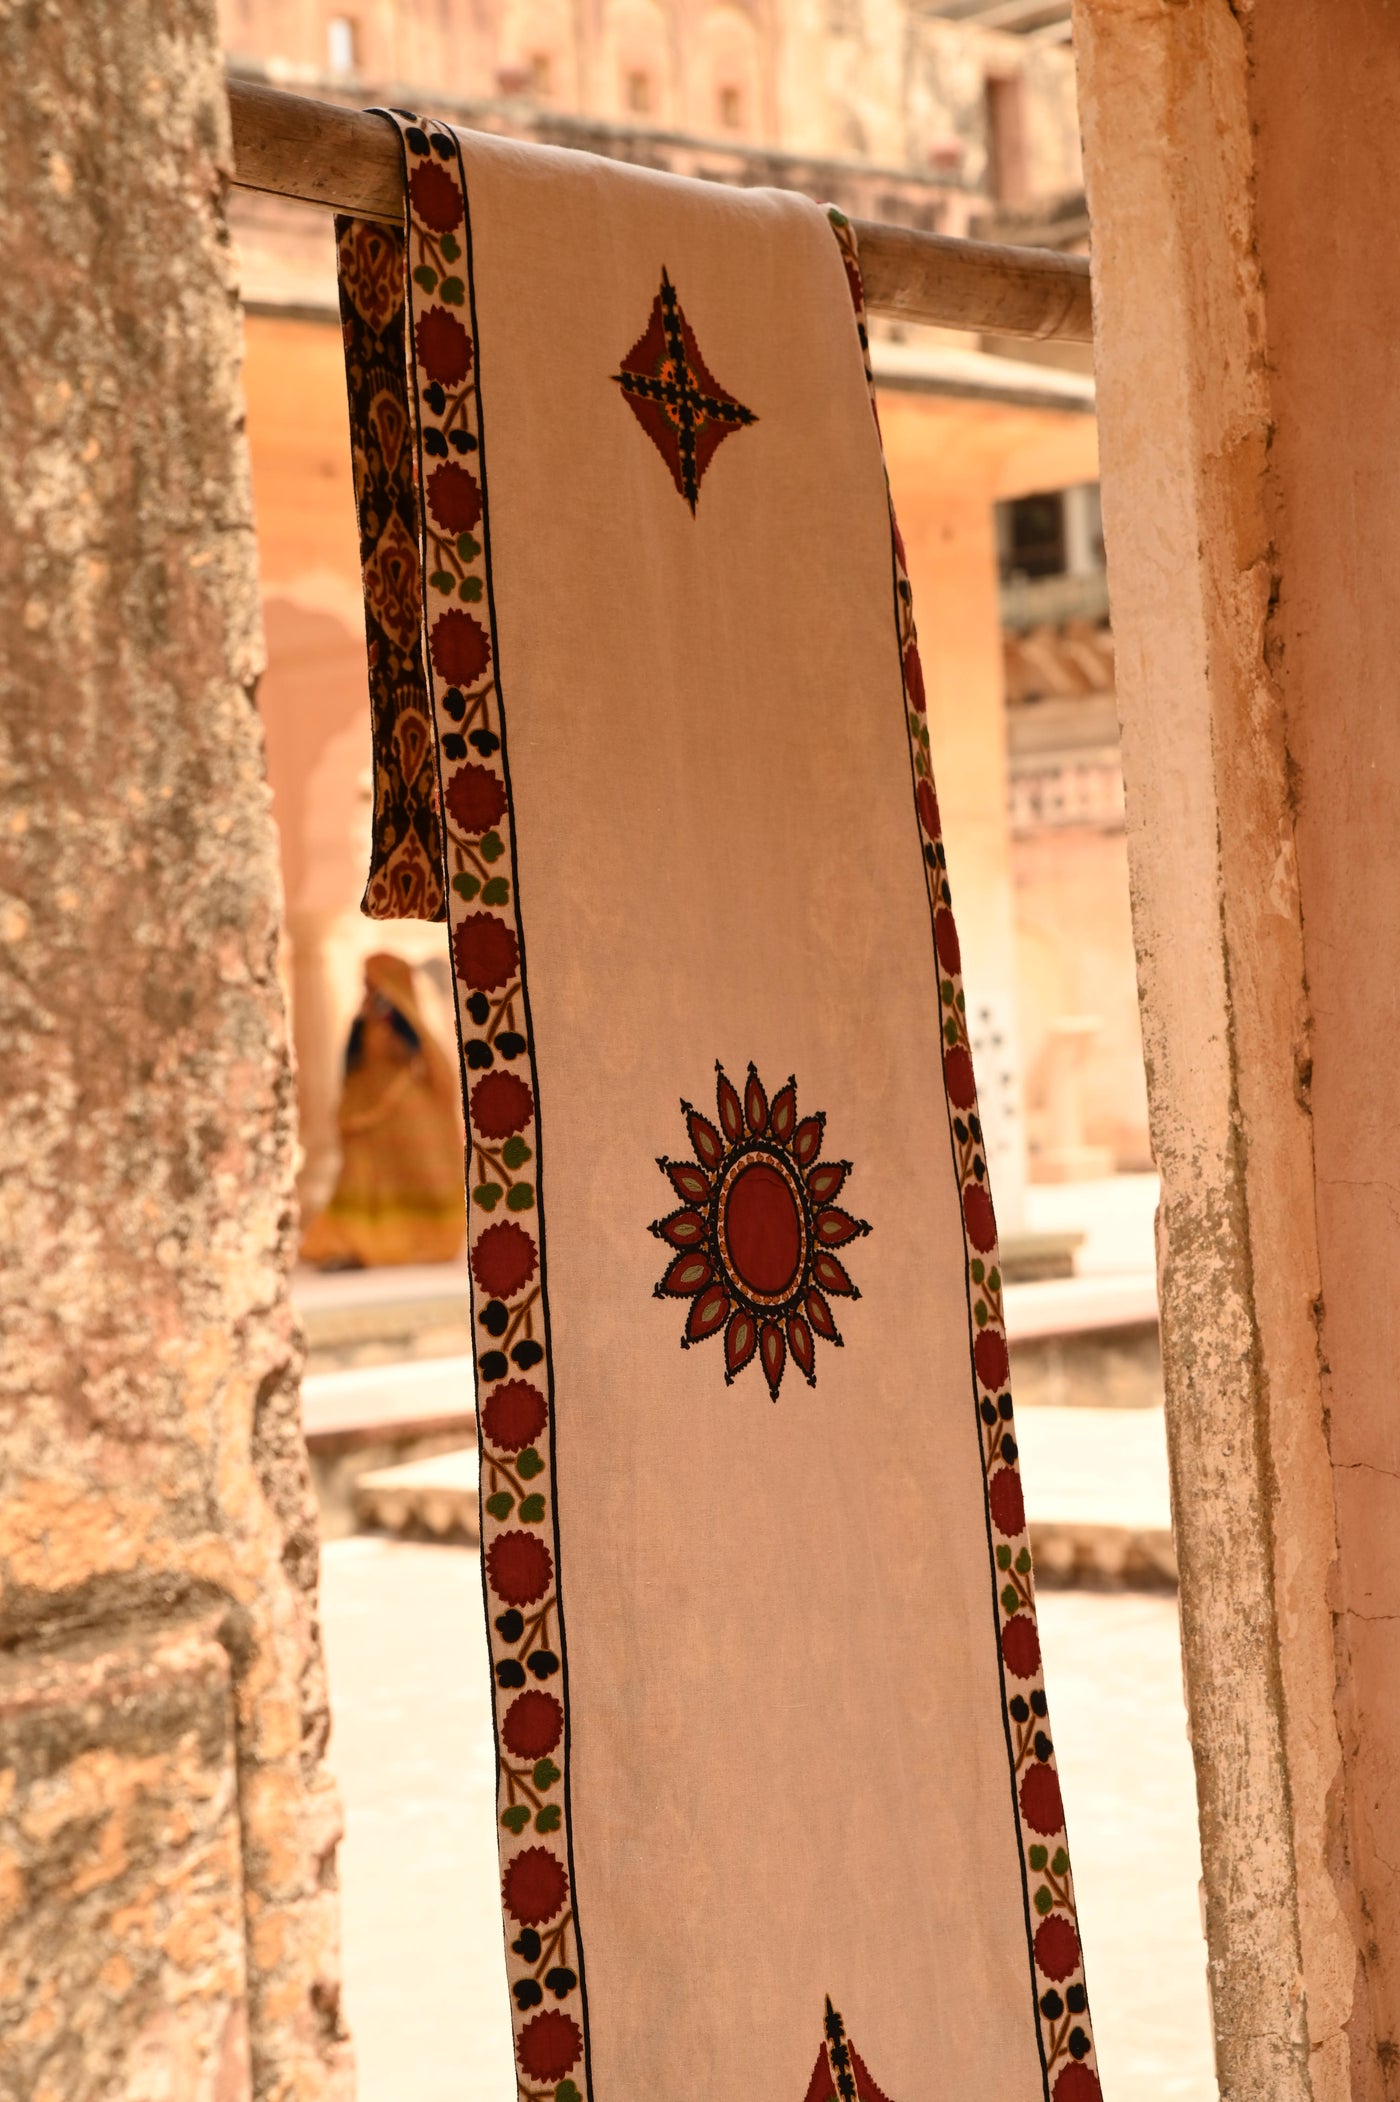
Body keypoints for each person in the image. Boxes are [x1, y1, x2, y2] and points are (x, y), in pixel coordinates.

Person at [301, 952, 466, 1267]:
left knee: (413, 1168)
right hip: (366, 1101)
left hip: (399, 1099)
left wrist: (391, 1040)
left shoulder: (396, 1015)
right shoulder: (365, 1017)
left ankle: (420, 1236)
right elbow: (351, 1058)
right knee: (359, 1171)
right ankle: (358, 1240)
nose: (367, 985)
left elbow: (414, 1048)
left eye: (371, 978)